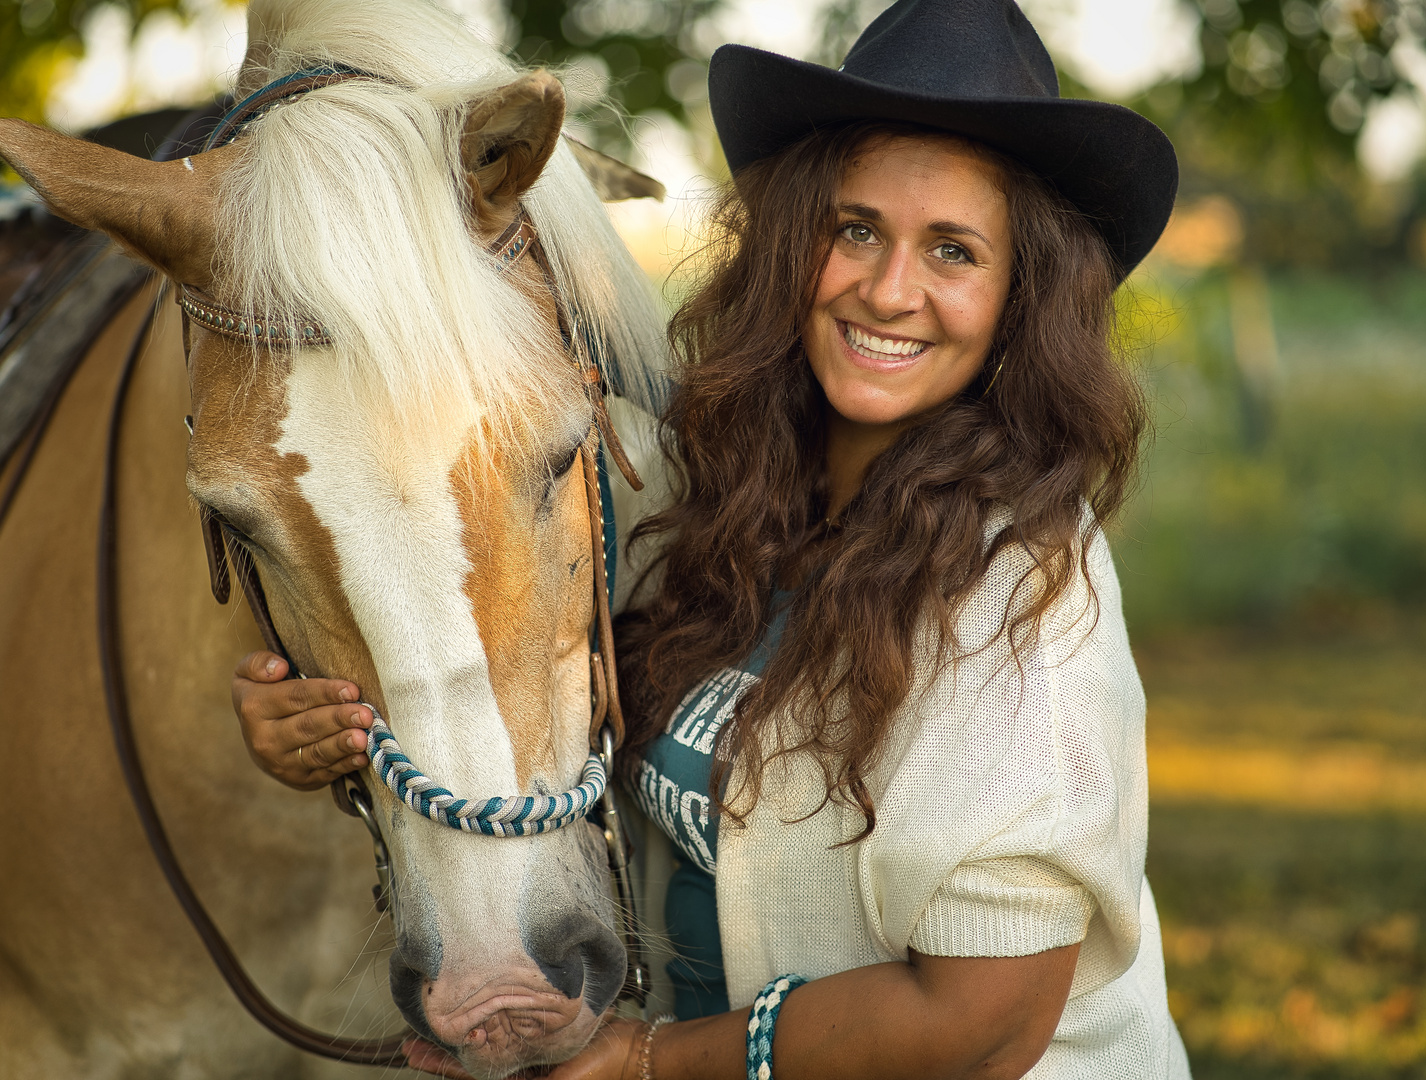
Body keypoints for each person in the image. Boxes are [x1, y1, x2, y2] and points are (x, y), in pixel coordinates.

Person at [230, 0, 1189, 1076]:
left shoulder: (1024, 596)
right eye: (856, 228)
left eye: (954, 251)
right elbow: (475, 600)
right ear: (794, 241)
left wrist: (655, 1062)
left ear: (1022, 299)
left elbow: (985, 1020)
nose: (887, 289)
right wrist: (321, 721)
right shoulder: (706, 488)